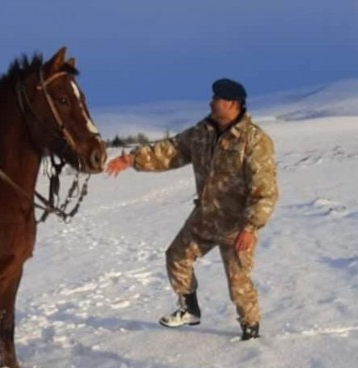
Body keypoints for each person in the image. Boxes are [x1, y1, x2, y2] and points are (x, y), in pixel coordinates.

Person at [106, 78, 279, 340]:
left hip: (236, 224)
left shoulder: (254, 140)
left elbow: (265, 190)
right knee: (177, 257)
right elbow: (171, 150)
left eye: (216, 99)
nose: (210, 102)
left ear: (232, 103)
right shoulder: (202, 132)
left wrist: (250, 227)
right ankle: (189, 309)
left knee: (238, 283)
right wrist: (131, 159)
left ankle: (250, 329)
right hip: (206, 217)